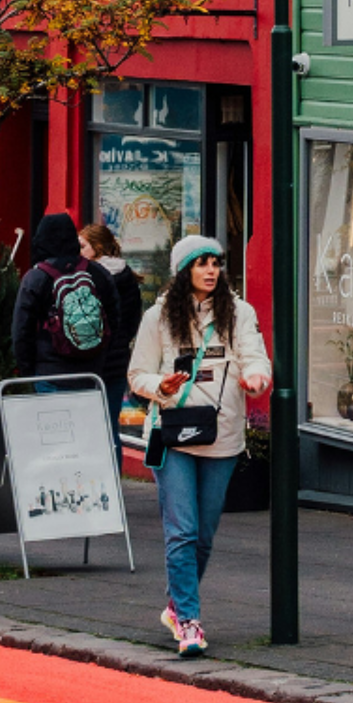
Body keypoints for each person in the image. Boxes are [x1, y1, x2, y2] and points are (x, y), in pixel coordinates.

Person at [128, 235, 271, 658]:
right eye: (201, 263)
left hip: (221, 434)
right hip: (171, 434)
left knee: (203, 536)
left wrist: (256, 377)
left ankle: (176, 606)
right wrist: (161, 385)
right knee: (182, 532)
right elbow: (137, 375)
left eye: (216, 263)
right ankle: (189, 621)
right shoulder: (157, 318)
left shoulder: (240, 313)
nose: (211, 271)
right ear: (183, 270)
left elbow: (255, 356)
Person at [12, 213, 121, 388]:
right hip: (91, 375)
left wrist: (28, 372)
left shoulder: (36, 278)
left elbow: (21, 331)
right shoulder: (98, 273)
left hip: (49, 374)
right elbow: (114, 321)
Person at [80, 223, 143, 438]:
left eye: (82, 246)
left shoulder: (88, 277)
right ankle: (113, 472)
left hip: (89, 359)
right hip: (117, 361)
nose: (79, 252)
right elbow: (133, 320)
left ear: (97, 247)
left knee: (86, 428)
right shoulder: (126, 276)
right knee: (110, 428)